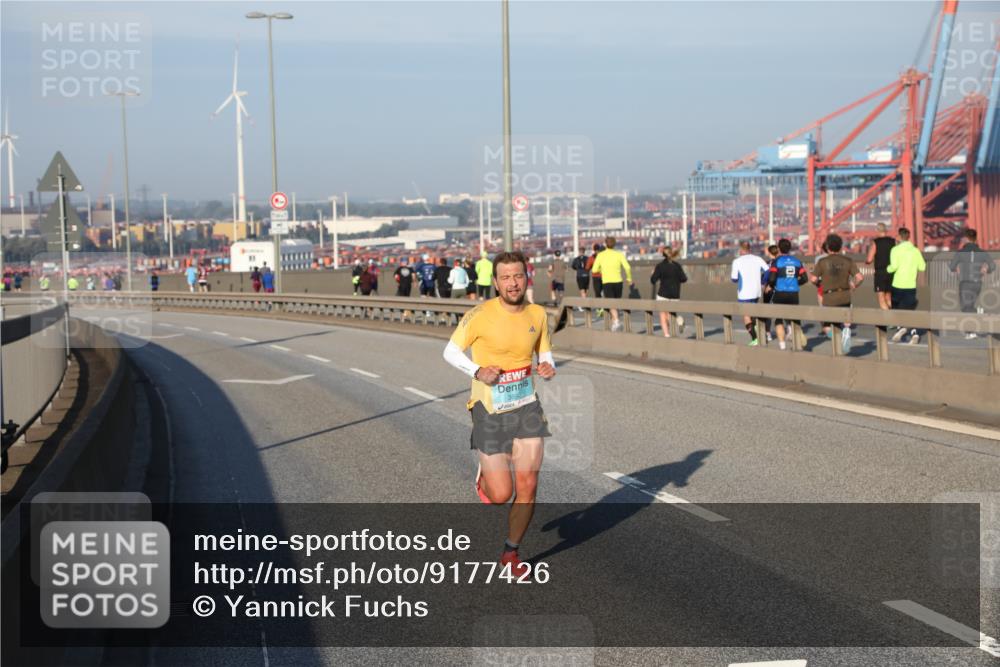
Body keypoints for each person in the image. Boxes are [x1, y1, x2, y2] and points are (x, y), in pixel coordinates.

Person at [441, 251, 556, 576]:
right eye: (505, 277)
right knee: (502, 494)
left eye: (518, 276)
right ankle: (486, 478)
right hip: (488, 408)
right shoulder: (480, 314)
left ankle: (511, 554)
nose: (512, 283)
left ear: (526, 277)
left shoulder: (538, 314)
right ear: (495, 282)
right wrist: (477, 371)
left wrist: (548, 366)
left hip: (526, 405)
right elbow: (449, 351)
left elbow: (544, 350)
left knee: (529, 483)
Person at [810, 234, 863, 354]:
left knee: (827, 323)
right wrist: (854, 285)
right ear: (840, 247)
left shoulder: (822, 262)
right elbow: (860, 277)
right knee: (844, 319)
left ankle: (837, 340)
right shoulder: (848, 261)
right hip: (845, 295)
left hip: (829, 297)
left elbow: (813, 279)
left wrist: (820, 284)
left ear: (828, 247)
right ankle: (846, 331)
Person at [948, 228, 996, 338]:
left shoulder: (960, 253)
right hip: (977, 283)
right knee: (969, 305)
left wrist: (958, 269)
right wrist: (986, 270)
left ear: (966, 239)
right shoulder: (982, 253)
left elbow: (951, 267)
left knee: (966, 307)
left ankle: (977, 318)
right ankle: (972, 331)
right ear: (975, 239)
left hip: (965, 282)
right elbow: (993, 266)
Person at [766, 238, 809, 350]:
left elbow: (771, 279)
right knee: (795, 318)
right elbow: (805, 278)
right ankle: (797, 343)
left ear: (779, 248)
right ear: (789, 248)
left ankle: (782, 346)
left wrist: (771, 285)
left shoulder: (777, 262)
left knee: (779, 319)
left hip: (780, 293)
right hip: (793, 294)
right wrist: (795, 282)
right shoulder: (797, 261)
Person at [887, 227, 927, 344]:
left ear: (899, 237)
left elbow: (893, 267)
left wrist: (887, 269)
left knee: (897, 310)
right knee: (909, 310)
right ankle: (914, 333)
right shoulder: (915, 251)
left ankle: (901, 328)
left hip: (897, 284)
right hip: (910, 285)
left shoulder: (895, 250)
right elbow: (922, 267)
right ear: (909, 237)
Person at [730, 241, 770, 346]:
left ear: (740, 250)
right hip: (756, 292)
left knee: (746, 316)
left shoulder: (737, 261)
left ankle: (755, 338)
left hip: (744, 293)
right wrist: (763, 282)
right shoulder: (757, 259)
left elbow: (734, 279)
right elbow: (768, 271)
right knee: (752, 312)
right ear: (750, 249)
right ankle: (759, 331)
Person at [589, 237, 633, 331]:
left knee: (611, 303)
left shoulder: (601, 255)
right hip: (618, 282)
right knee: (615, 303)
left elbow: (594, 269)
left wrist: (603, 270)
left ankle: (616, 321)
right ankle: (614, 324)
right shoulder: (619, 254)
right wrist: (629, 278)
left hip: (607, 282)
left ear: (605, 244)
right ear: (614, 244)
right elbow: (628, 267)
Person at [650, 246, 687, 338]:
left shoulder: (660, 266)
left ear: (663, 254)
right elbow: (684, 279)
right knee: (671, 314)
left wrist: (653, 273)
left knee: (663, 315)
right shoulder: (677, 266)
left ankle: (667, 335)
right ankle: (679, 320)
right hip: (675, 294)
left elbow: (653, 280)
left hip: (663, 294)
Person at [866, 222, 895, 310]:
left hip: (880, 272)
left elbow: (869, 259)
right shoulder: (893, 241)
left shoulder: (876, 242)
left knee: (881, 296)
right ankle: (892, 317)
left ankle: (887, 320)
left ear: (877, 231)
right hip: (891, 271)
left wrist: (867, 261)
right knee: (889, 296)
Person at [761, 244, 780, 342]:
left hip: (769, 288)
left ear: (769, 253)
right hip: (780, 288)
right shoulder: (781, 262)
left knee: (767, 312)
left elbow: (765, 276)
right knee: (780, 310)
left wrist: (763, 284)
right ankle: (788, 330)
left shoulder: (768, 264)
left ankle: (768, 333)